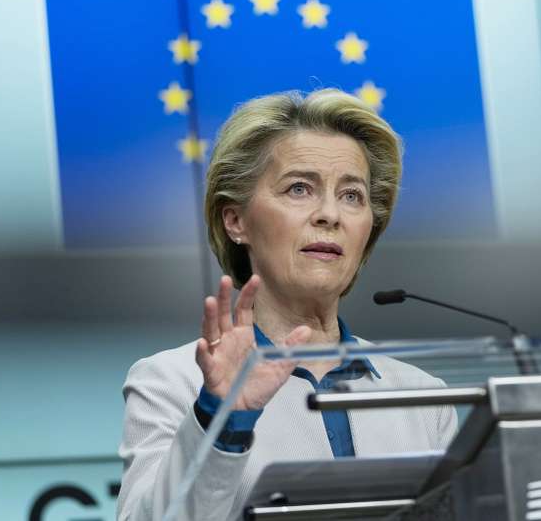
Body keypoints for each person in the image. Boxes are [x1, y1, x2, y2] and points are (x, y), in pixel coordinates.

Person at [116, 89, 458, 521]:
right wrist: (223, 418)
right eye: (299, 188)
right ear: (236, 220)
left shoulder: (423, 394)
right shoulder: (172, 382)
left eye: (352, 195)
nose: (330, 214)